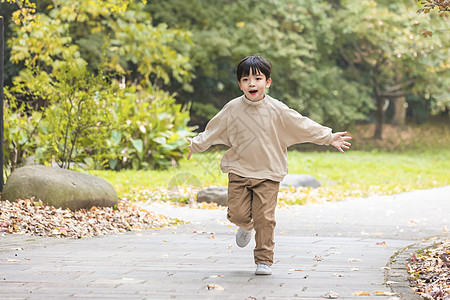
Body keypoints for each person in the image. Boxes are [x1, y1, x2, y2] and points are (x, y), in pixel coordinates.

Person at [187, 55, 351, 276]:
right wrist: (197, 144)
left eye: (257, 78)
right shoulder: (232, 108)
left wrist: (328, 137)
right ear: (240, 84)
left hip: (269, 173)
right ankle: (245, 226)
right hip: (239, 170)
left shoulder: (277, 109)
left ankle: (264, 260)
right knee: (236, 214)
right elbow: (213, 129)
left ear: (268, 82)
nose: (252, 83)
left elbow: (302, 124)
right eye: (246, 79)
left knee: (265, 218)